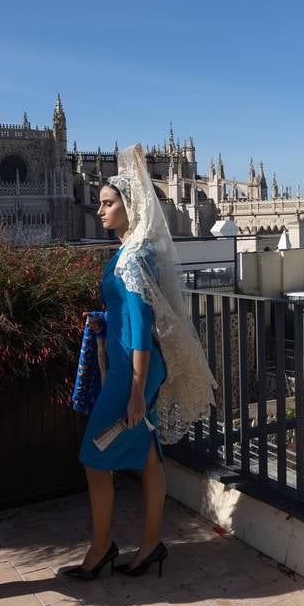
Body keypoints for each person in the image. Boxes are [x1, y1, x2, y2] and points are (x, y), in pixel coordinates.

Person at [58, 144, 215, 580]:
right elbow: (126, 315)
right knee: (147, 454)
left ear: (129, 206)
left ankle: (103, 546)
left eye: (109, 203)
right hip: (132, 359)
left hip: (134, 367)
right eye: (101, 202)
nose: (100, 209)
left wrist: (134, 392)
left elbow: (143, 324)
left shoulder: (136, 257)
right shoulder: (129, 250)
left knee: (94, 455)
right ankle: (149, 546)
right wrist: (103, 322)